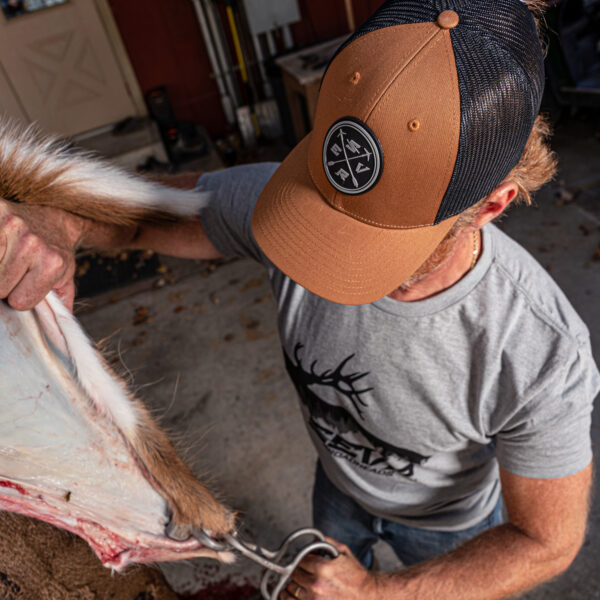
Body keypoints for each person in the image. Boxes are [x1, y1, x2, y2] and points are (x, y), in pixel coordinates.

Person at [0, 1, 598, 599]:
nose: (325, 263)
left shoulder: (537, 349)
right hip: (338, 484)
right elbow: (137, 219)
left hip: (447, 527)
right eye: (321, 214)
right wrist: (54, 220)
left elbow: (545, 541)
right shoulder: (275, 200)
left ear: (491, 205)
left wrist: (373, 593)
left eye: (373, 244)